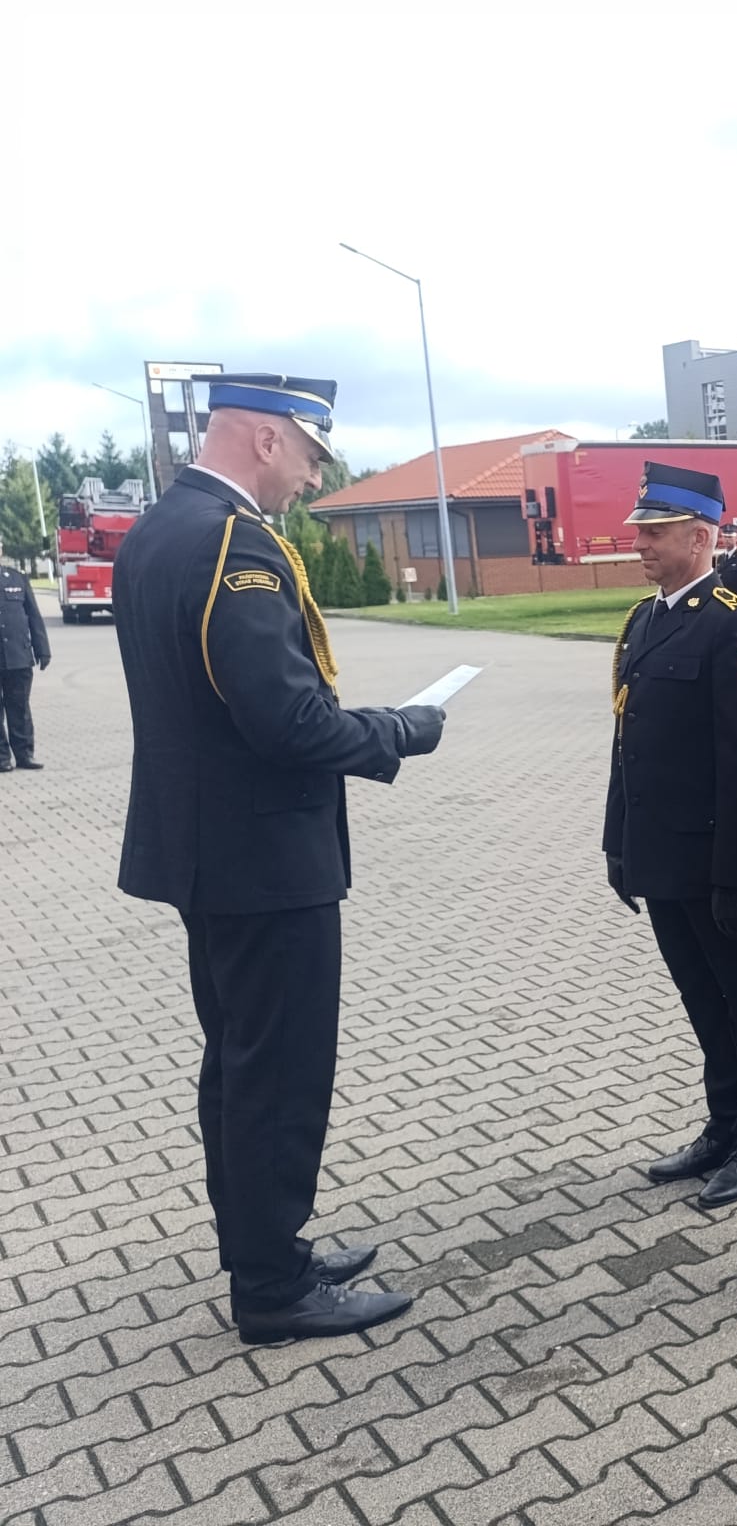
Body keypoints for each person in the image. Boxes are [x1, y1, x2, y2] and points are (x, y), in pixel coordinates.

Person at [113, 374, 447, 1343]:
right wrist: (398, 731)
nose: (312, 478)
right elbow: (288, 722)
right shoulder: (236, 544)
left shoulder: (158, 530)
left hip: (207, 854)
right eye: (308, 455)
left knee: (238, 1061)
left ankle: (264, 1247)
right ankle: (273, 1286)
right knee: (279, 1073)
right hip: (265, 860)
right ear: (265, 439)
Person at [607, 463, 737, 1208]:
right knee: (702, 999)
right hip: (661, 854)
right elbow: (627, 744)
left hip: (713, 858)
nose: (641, 544)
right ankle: (722, 1125)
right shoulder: (644, 620)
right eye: (641, 531)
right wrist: (618, 842)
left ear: (699, 536)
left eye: (655, 532)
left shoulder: (733, 623)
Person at [0, 560, 51, 771]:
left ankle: (24, 755)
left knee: (20, 708)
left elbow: (33, 615)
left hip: (18, 656)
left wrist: (42, 649)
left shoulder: (17, 578)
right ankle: (2, 758)